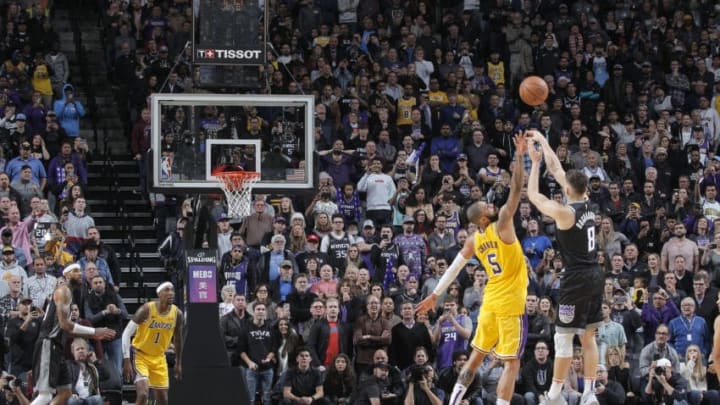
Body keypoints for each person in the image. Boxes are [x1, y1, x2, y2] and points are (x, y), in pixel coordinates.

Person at [416, 133, 528, 405]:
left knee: (476, 357)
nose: (491, 204)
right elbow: (516, 189)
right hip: (511, 302)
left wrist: (436, 294)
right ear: (484, 216)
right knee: (511, 363)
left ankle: (453, 402)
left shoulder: (474, 239)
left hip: (490, 300)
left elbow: (454, 267)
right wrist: (519, 155)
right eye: (488, 205)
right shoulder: (502, 223)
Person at [525, 131, 602, 405]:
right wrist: (543, 142)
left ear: (567, 190)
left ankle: (555, 395)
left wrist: (534, 163)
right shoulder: (589, 204)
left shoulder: (565, 212)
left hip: (576, 278)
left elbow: (533, 195)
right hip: (596, 274)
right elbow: (558, 169)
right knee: (589, 336)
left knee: (563, 337)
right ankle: (590, 392)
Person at [31, 263, 116, 405]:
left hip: (57, 347)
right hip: (48, 343)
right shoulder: (63, 290)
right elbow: (65, 324)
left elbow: (67, 328)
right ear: (66, 275)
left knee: (65, 393)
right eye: (75, 271)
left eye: (80, 271)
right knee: (45, 396)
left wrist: (92, 334)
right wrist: (94, 332)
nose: (80, 273)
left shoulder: (69, 294)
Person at [121, 282, 184, 405]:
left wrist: (178, 362)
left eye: (172, 290)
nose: (171, 293)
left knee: (163, 400)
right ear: (159, 294)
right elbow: (126, 333)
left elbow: (178, 339)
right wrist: (126, 359)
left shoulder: (177, 314)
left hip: (159, 357)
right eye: (167, 290)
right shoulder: (146, 309)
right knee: (143, 394)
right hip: (140, 355)